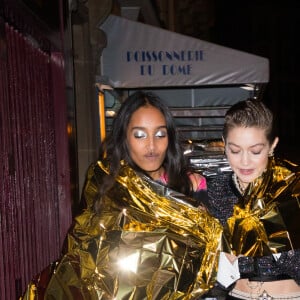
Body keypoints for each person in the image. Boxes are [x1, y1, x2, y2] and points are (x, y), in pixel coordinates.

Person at [21, 90, 224, 299]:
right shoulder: (108, 185)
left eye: (160, 134)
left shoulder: (192, 184)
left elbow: (207, 261)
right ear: (124, 137)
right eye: (140, 135)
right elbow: (84, 255)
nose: (152, 145)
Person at [205, 98, 300, 299]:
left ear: (272, 145)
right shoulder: (216, 190)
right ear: (224, 144)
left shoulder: (291, 190)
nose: (245, 161)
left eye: (256, 151)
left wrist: (271, 236)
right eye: (235, 150)